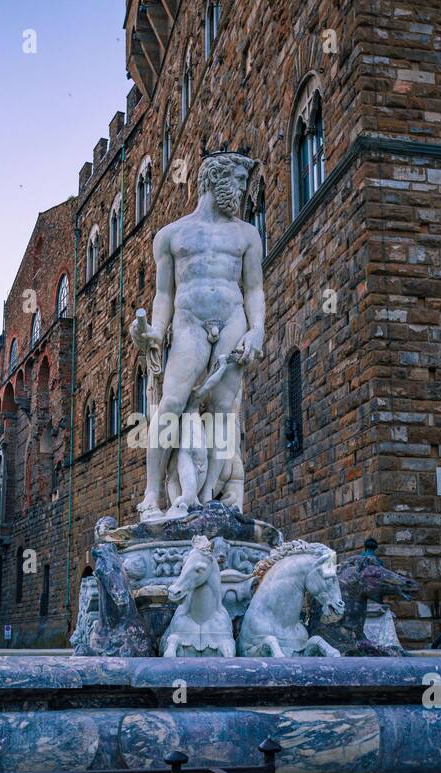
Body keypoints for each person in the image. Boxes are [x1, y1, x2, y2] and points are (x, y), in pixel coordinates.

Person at [132, 151, 265, 520]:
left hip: (232, 320)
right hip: (189, 323)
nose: (241, 191)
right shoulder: (171, 236)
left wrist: (258, 329)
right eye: (238, 182)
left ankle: (212, 497)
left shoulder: (247, 235)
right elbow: (164, 295)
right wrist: (155, 331)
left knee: (224, 411)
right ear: (215, 179)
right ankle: (152, 492)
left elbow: (254, 289)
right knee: (171, 403)